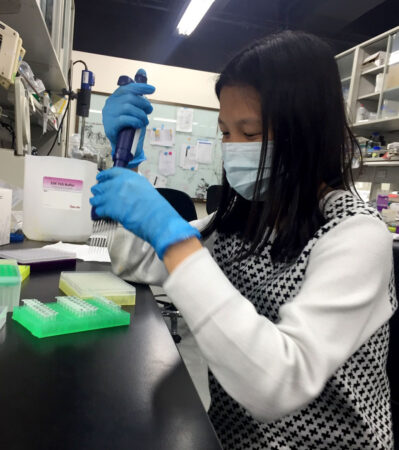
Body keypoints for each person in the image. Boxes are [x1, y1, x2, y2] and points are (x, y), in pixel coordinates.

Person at [90, 30, 396, 449]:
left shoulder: (356, 236)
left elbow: (278, 384)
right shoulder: (243, 220)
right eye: (225, 133)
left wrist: (176, 240)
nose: (234, 148)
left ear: (307, 132)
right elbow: (131, 260)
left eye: (250, 134)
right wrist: (126, 166)